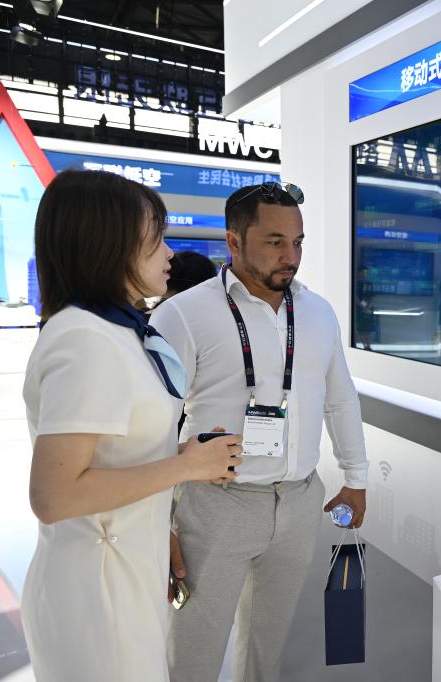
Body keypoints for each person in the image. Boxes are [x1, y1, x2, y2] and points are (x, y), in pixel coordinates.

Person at [21, 170, 242, 682]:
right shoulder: (85, 339)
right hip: (98, 592)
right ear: (109, 245)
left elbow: (114, 455)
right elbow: (54, 495)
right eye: (155, 239)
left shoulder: (114, 330)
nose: (170, 253)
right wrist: (186, 467)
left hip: (123, 570)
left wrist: (162, 505)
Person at [151, 182, 370, 682]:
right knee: (195, 648)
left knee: (267, 644)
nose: (290, 256)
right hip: (216, 504)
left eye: (297, 242)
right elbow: (155, 423)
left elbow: (340, 398)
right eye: (274, 242)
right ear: (234, 241)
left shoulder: (318, 313)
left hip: (298, 500)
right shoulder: (183, 315)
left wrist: (356, 478)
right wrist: (159, 520)